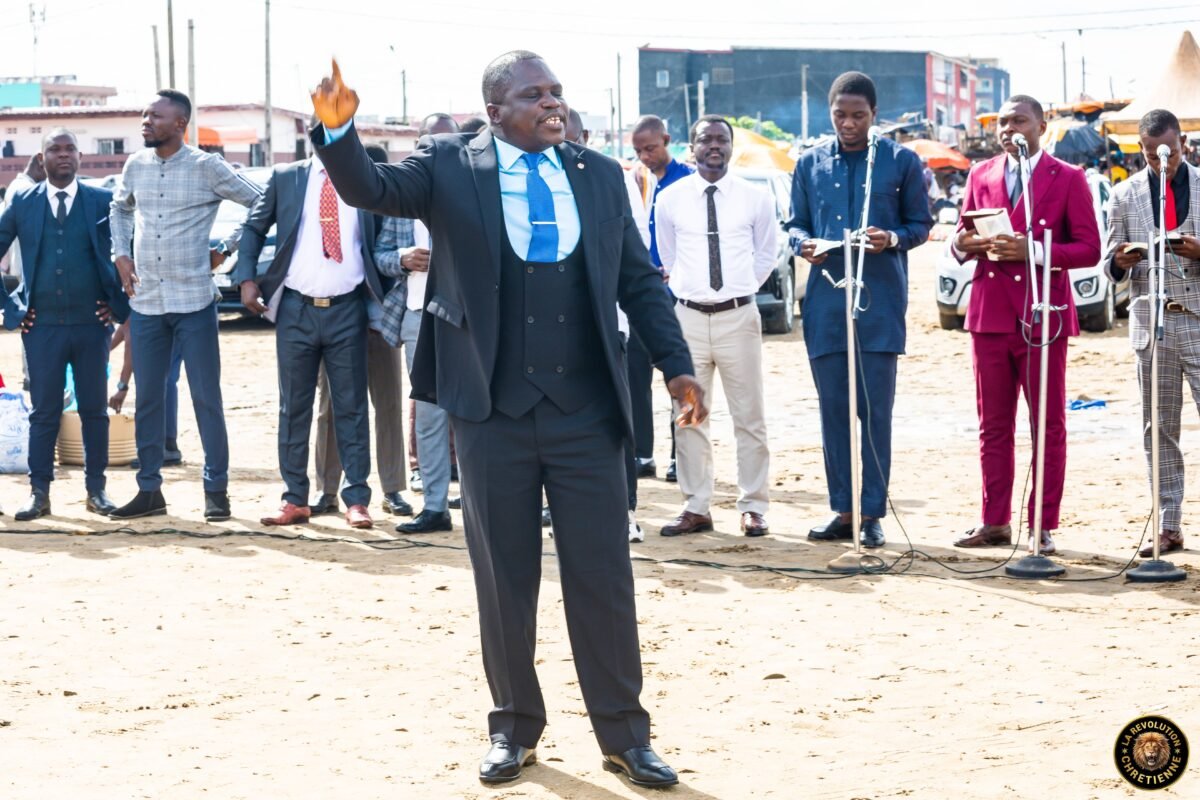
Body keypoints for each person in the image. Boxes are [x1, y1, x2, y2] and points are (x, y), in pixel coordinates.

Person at [310, 52, 705, 788]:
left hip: (587, 412)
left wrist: (675, 365)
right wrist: (338, 132)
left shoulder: (598, 175)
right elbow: (370, 188)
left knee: (603, 579)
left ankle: (625, 737)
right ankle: (514, 729)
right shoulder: (449, 165)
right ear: (495, 111)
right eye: (534, 95)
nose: (553, 104)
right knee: (504, 581)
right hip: (491, 412)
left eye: (557, 92)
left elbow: (636, 279)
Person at [788, 71, 933, 550]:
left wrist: (891, 238)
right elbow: (794, 225)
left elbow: (920, 224)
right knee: (833, 412)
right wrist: (803, 244)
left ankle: (871, 514)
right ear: (830, 113)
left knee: (874, 413)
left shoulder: (900, 161)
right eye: (840, 115)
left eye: (858, 116)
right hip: (826, 303)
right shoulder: (808, 163)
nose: (848, 124)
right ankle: (843, 510)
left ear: (874, 115)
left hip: (879, 303)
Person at [950, 94, 1100, 555]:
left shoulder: (1068, 177)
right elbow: (960, 236)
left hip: (1043, 315)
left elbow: (1090, 249)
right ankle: (994, 520)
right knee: (993, 424)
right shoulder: (980, 173)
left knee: (1047, 424)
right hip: (991, 315)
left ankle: (1041, 524)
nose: (1007, 129)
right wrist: (964, 244)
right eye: (1002, 121)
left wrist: (1033, 250)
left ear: (1041, 126)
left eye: (1018, 120)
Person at [108, 89, 262, 520]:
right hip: (147, 303)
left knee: (205, 397)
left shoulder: (206, 166)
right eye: (144, 115)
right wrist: (120, 254)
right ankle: (149, 491)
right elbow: (119, 210)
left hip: (193, 300)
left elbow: (261, 202)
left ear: (180, 124)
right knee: (148, 399)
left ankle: (216, 491)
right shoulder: (135, 165)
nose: (146, 121)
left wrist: (227, 248)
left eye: (155, 116)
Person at [235, 133, 389, 530]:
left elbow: (385, 233)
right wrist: (246, 278)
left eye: (340, 133)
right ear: (314, 141)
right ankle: (294, 498)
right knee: (294, 407)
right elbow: (253, 227)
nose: (332, 142)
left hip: (348, 309)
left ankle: (357, 499)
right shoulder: (287, 177)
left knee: (351, 407)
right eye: (326, 134)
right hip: (296, 310)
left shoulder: (364, 179)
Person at [655, 115, 776, 538]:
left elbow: (766, 256)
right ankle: (696, 506)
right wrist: (696, 291)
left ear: (731, 146)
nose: (714, 146)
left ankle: (754, 505)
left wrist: (737, 291)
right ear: (691, 148)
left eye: (721, 139)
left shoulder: (755, 197)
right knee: (689, 414)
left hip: (738, 318)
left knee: (749, 415)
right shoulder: (669, 198)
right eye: (705, 139)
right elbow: (668, 258)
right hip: (687, 319)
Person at [0, 129, 129, 519]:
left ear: (80, 156)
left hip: (91, 326)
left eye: (69, 148)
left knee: (94, 411)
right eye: (54, 149)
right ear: (42, 159)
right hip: (41, 328)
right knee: (44, 412)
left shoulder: (101, 200)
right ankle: (39, 493)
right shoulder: (22, 201)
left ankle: (96, 491)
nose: (62, 155)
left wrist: (117, 306)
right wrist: (12, 307)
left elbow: (127, 251)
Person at [1105, 109, 1200, 559]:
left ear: (1183, 144)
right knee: (1158, 428)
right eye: (1150, 155)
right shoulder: (1123, 194)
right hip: (1151, 324)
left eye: (1171, 153)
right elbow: (1108, 262)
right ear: (1140, 150)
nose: (1162, 162)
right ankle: (1167, 525)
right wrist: (1119, 261)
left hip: (1197, 319)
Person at [310, 142, 414, 521]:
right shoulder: (323, 197)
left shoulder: (385, 201)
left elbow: (390, 257)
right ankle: (326, 489)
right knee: (331, 406)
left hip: (377, 318)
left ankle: (393, 489)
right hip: (336, 316)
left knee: (387, 403)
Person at [375, 115, 459, 534]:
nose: (441, 149)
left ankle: (483, 505)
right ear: (420, 145)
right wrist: (403, 259)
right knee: (428, 417)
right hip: (416, 317)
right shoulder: (406, 193)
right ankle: (435, 507)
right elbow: (380, 255)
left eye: (449, 141)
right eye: (432, 141)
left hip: (467, 321)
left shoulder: (478, 187)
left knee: (475, 415)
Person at [565, 108, 646, 542]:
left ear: (585, 137)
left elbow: (635, 251)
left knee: (613, 422)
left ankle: (625, 511)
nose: (563, 147)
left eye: (571, 138)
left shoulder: (611, 176)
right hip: (553, 331)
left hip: (607, 324)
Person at [631, 115, 694, 483]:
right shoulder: (634, 180)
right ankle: (642, 453)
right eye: (638, 150)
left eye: (651, 148)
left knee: (677, 376)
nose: (645, 156)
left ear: (667, 141)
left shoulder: (688, 180)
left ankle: (678, 456)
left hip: (677, 295)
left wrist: (677, 268)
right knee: (635, 377)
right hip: (639, 295)